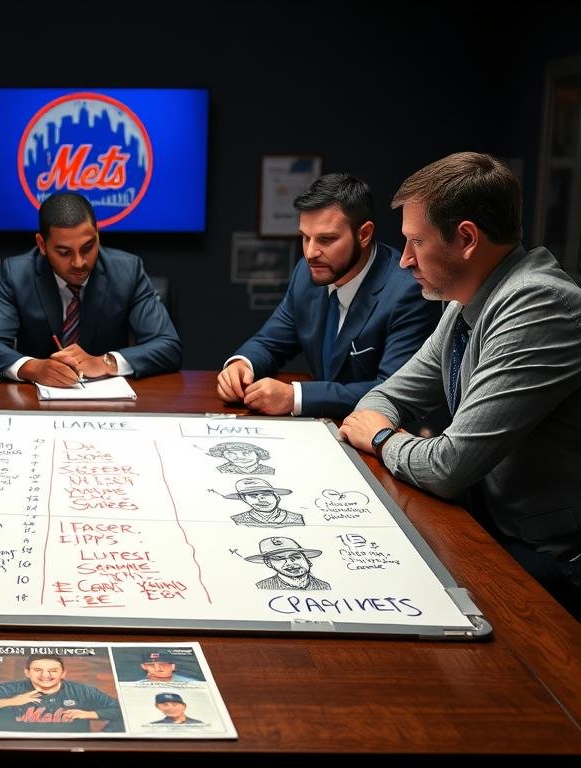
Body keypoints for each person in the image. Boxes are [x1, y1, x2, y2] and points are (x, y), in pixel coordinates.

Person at [339, 151, 581, 617]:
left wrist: (384, 438)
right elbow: (384, 397)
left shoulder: (539, 304)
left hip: (551, 564)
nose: (404, 260)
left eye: (416, 241)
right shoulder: (466, 301)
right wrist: (381, 426)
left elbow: (447, 467)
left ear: (467, 238)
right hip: (492, 532)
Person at [217, 173, 440, 419]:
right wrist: (242, 364)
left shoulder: (408, 291)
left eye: (326, 239)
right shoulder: (307, 274)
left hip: (382, 430)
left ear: (364, 234)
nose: (310, 253)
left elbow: (392, 391)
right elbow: (269, 343)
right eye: (305, 237)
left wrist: (296, 397)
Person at [0, 192, 181, 385]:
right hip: (36, 400)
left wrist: (105, 362)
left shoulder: (127, 271)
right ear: (42, 245)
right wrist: (34, 368)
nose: (79, 263)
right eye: (64, 252)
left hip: (108, 401)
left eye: (88, 247)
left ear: (97, 235)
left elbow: (168, 346)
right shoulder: (17, 274)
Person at [0, 653, 124, 732]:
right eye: (38, 670)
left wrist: (89, 714)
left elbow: (121, 709)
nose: (45, 675)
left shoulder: (82, 691)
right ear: (27, 673)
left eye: (53, 671)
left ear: (63, 673)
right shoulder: (9, 689)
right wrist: (11, 702)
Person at [245, 536, 332, 590]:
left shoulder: (325, 586)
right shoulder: (262, 587)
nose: (290, 563)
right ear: (268, 563)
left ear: (306, 558)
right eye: (280, 558)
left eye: (296, 557)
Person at [210, 477, 304, 527]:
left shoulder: (296, 518)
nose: (261, 499)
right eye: (253, 495)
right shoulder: (237, 520)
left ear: (277, 497)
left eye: (266, 494)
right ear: (244, 499)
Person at [206, 441, 274, 474]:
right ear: (223, 455)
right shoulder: (220, 471)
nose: (240, 457)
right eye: (231, 453)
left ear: (259, 454)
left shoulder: (270, 471)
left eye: (247, 452)